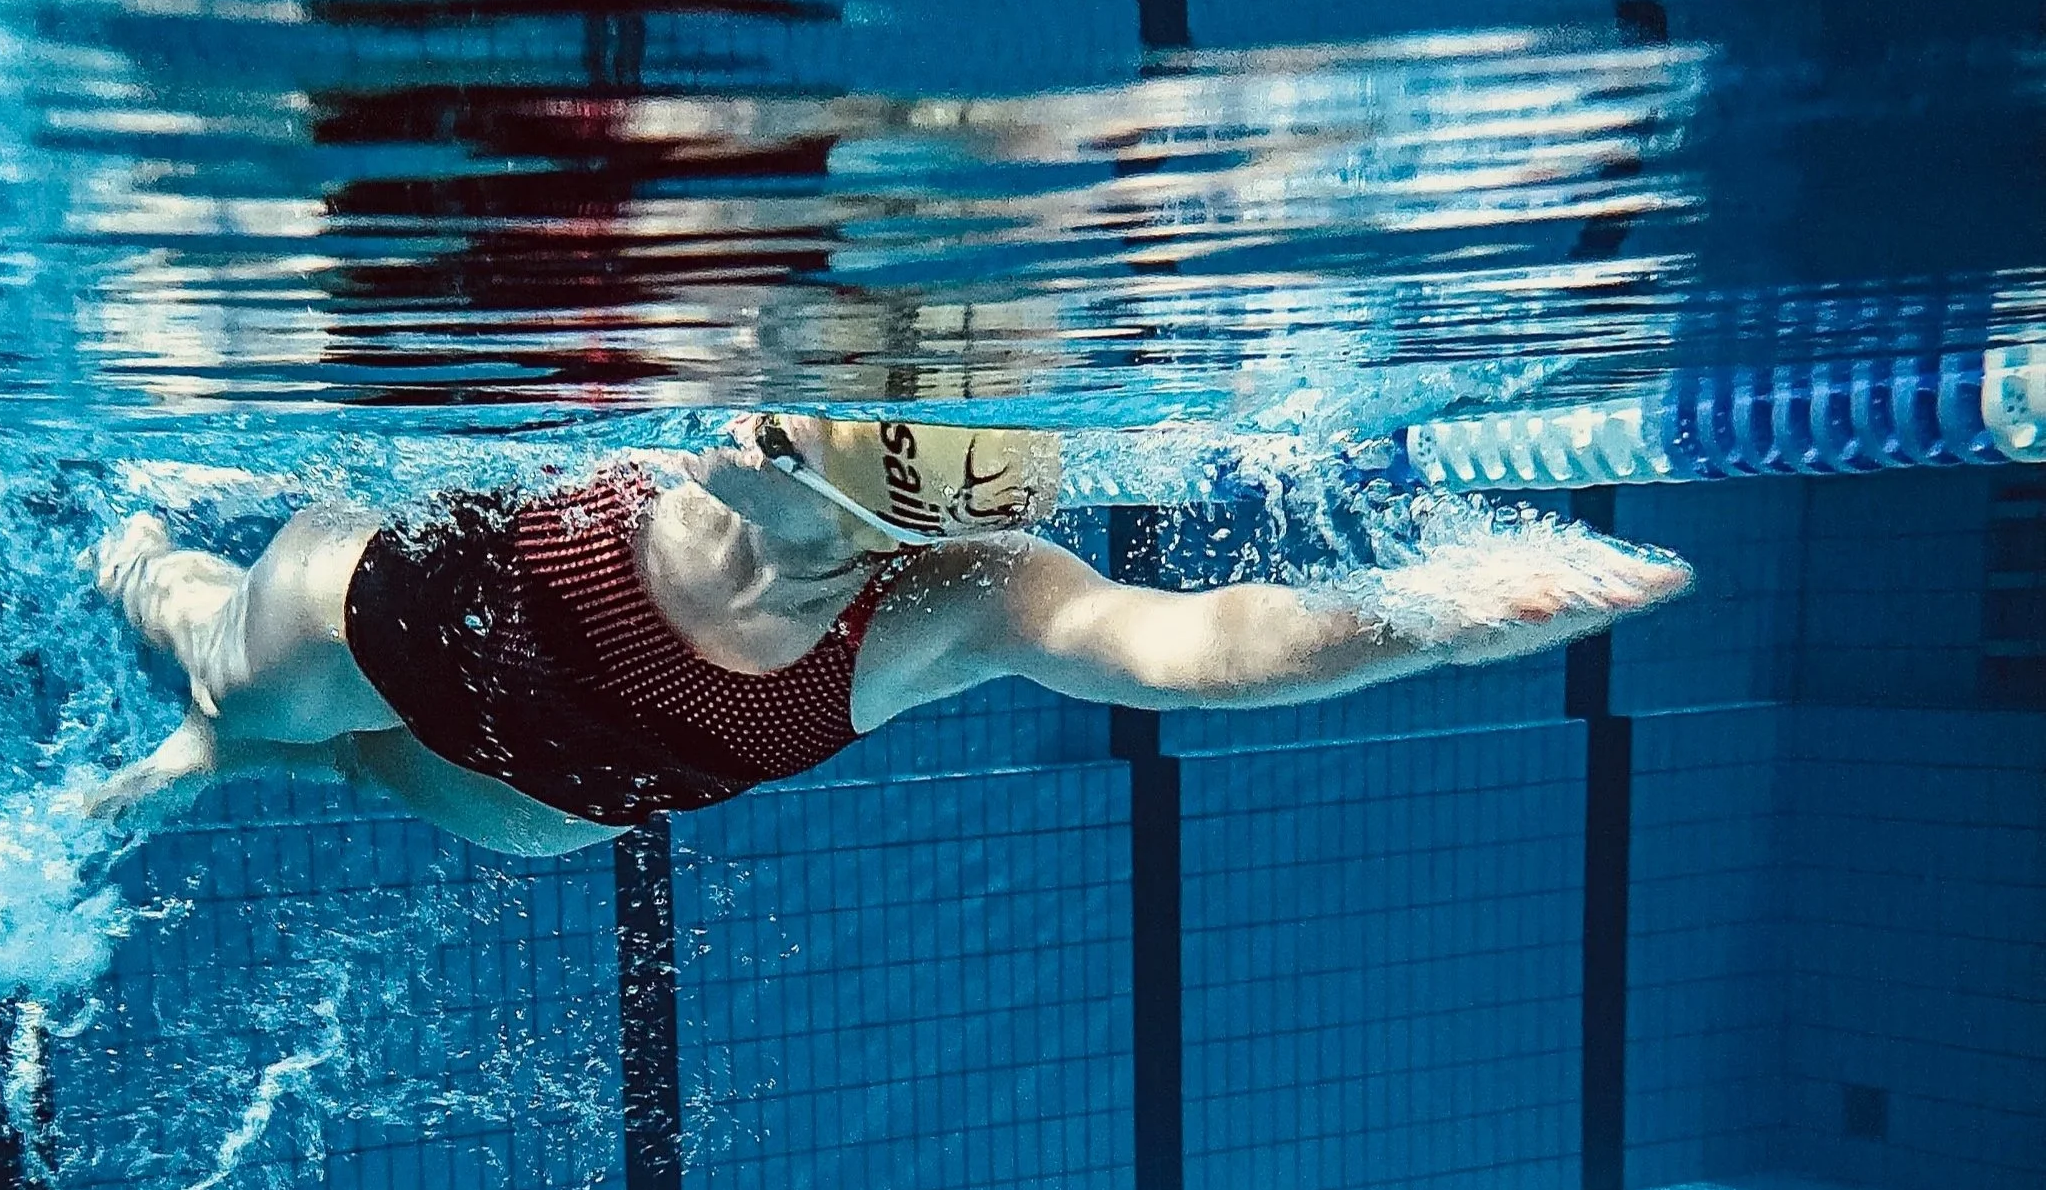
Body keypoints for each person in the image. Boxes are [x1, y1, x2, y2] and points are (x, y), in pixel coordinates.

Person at [82, 415, 1688, 857]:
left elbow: (1194, 646)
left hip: (550, 797)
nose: (724, 416)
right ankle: (136, 547)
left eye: (772, 430)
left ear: (866, 524)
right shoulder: (634, 396)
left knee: (441, 806)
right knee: (236, 666)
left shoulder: (960, 599)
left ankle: (233, 763)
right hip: (397, 624)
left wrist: (1423, 620)